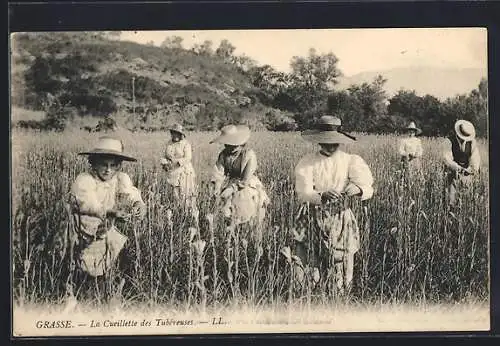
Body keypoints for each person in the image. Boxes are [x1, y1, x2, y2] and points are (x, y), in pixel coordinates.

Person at [294, 115, 374, 295]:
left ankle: (339, 295)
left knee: (342, 259)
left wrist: (358, 189)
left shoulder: (350, 160)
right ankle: (310, 295)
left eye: (334, 143)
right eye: (325, 143)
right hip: (312, 215)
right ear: (318, 141)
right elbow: (303, 192)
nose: (330, 146)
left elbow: (368, 186)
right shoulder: (307, 162)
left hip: (340, 215)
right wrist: (321, 195)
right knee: (310, 258)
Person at [67, 136, 147, 299]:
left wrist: (139, 204)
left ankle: (110, 290)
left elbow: (132, 193)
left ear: (119, 166)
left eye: (113, 165)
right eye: (104, 164)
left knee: (109, 259)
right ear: (94, 163)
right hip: (84, 230)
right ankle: (81, 291)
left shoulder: (120, 179)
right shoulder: (85, 180)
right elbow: (88, 203)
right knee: (85, 266)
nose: (108, 170)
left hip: (106, 230)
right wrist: (110, 212)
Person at [209, 124, 270, 228]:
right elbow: (218, 172)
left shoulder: (249, 154)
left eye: (233, 144)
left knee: (247, 210)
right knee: (226, 212)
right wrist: (217, 187)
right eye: (227, 144)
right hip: (231, 182)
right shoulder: (223, 155)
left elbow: (245, 179)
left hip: (246, 185)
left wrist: (232, 188)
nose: (230, 147)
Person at [160, 123, 198, 217]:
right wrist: (164, 163)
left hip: (184, 172)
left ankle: (189, 215)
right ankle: (178, 215)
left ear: (181, 134)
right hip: (172, 173)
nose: (175, 135)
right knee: (175, 196)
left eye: (177, 133)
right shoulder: (169, 143)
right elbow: (164, 156)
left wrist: (177, 162)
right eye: (173, 133)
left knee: (186, 195)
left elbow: (188, 158)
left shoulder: (186, 144)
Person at [443, 119, 481, 207]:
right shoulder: (449, 141)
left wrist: (471, 169)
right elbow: (447, 159)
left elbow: (475, 159)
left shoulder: (472, 142)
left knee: (465, 201)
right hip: (452, 174)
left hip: (467, 175)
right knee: (451, 201)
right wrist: (458, 169)